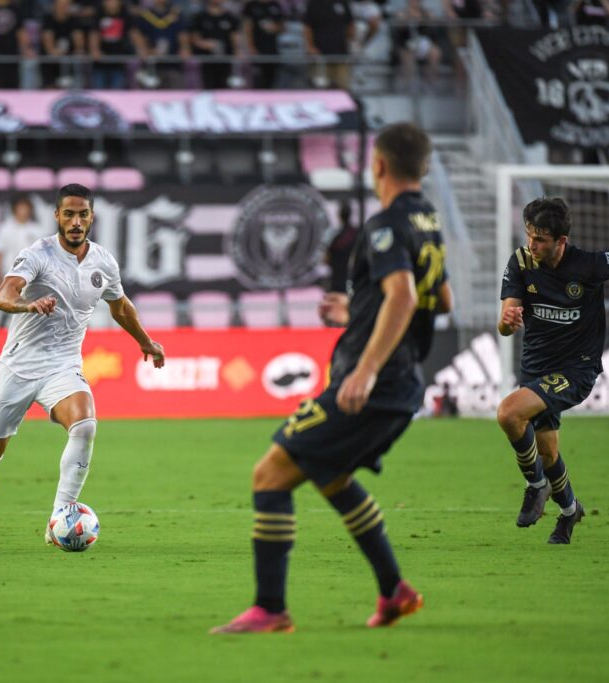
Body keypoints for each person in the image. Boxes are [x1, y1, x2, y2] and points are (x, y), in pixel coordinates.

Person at [210, 123, 452, 634]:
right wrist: (361, 308)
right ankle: (394, 590)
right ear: (423, 167)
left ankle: (271, 609)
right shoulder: (429, 221)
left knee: (269, 475)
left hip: (374, 382)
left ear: (379, 165)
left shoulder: (385, 223)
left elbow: (405, 297)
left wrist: (365, 367)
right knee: (330, 476)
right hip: (403, 383)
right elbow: (441, 300)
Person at [0, 183, 166, 545]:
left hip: (62, 366)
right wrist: (28, 305)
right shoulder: (38, 254)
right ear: (56, 215)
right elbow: (3, 295)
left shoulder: (103, 261)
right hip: (17, 368)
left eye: (82, 214)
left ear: (91, 217)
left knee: (85, 423)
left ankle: (61, 515)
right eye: (68, 214)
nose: (75, 221)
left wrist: (145, 341)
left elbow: (119, 306)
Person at [496, 197, 609, 544]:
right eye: (529, 235)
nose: (531, 245)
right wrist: (507, 321)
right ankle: (570, 512)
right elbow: (506, 324)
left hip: (576, 369)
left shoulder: (588, 266)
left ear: (561, 241)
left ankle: (535, 485)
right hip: (536, 368)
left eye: (540, 239)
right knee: (548, 451)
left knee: (509, 413)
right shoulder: (522, 262)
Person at [133, 0, 190, 89]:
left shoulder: (175, 13)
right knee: (149, 95)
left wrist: (185, 48)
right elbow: (138, 35)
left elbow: (182, 34)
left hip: (173, 63)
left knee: (176, 92)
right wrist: (145, 50)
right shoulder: (146, 15)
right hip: (151, 64)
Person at [0, 196, 47, 285]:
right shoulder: (5, 229)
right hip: (9, 274)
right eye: (20, 208)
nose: (23, 211)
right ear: (14, 210)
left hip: (31, 276)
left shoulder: (37, 230)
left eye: (26, 208)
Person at [0, 0, 32, 89]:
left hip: (12, 52)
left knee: (13, 82)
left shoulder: (15, 8)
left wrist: (26, 49)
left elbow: (20, 31)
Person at [302, 0, 353, 90]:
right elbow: (307, 27)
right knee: (320, 87)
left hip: (340, 54)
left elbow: (350, 24)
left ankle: (342, 104)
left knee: (343, 86)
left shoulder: (343, 3)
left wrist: (350, 41)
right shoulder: (314, 4)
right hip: (320, 55)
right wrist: (310, 47)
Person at [190, 0, 241, 90]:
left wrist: (237, 50)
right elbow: (195, 39)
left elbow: (235, 37)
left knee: (225, 87)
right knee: (207, 87)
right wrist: (206, 44)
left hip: (225, 60)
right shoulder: (200, 17)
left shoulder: (230, 17)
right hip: (206, 60)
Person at [89, 0, 139, 90]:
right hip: (100, 62)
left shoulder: (125, 15)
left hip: (118, 61)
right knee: (98, 90)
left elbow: (133, 33)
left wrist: (141, 48)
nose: (111, 3)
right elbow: (94, 34)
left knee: (118, 91)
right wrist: (95, 49)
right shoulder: (99, 14)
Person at [40, 0, 85, 88]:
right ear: (55, 6)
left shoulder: (73, 19)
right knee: (50, 83)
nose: (63, 8)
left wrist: (79, 49)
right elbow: (47, 37)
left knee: (77, 63)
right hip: (51, 58)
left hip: (68, 59)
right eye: (60, 5)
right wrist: (52, 50)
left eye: (66, 5)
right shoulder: (48, 19)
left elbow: (78, 37)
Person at [243, 0, 286, 90]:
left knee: (272, 79)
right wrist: (251, 46)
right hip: (257, 49)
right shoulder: (251, 5)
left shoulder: (276, 5)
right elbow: (247, 27)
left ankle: (270, 101)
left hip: (273, 49)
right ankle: (256, 101)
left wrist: (275, 27)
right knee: (258, 79)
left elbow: (283, 27)